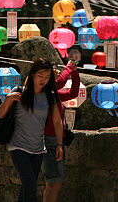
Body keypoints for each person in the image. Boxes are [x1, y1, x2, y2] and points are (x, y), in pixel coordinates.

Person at [0, 58, 64, 202]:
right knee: (31, 186)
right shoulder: (19, 92)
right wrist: (8, 99)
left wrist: (59, 144)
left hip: (38, 149)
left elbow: (57, 122)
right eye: (40, 75)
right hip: (18, 147)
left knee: (26, 188)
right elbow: (1, 114)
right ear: (33, 74)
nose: (43, 80)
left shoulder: (50, 96)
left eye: (47, 77)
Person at [42, 60, 80, 202]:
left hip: (56, 139)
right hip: (48, 139)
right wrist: (69, 67)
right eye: (54, 69)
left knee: (56, 181)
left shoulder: (53, 93)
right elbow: (61, 82)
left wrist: (75, 73)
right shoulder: (45, 90)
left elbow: (73, 92)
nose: (58, 71)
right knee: (52, 181)